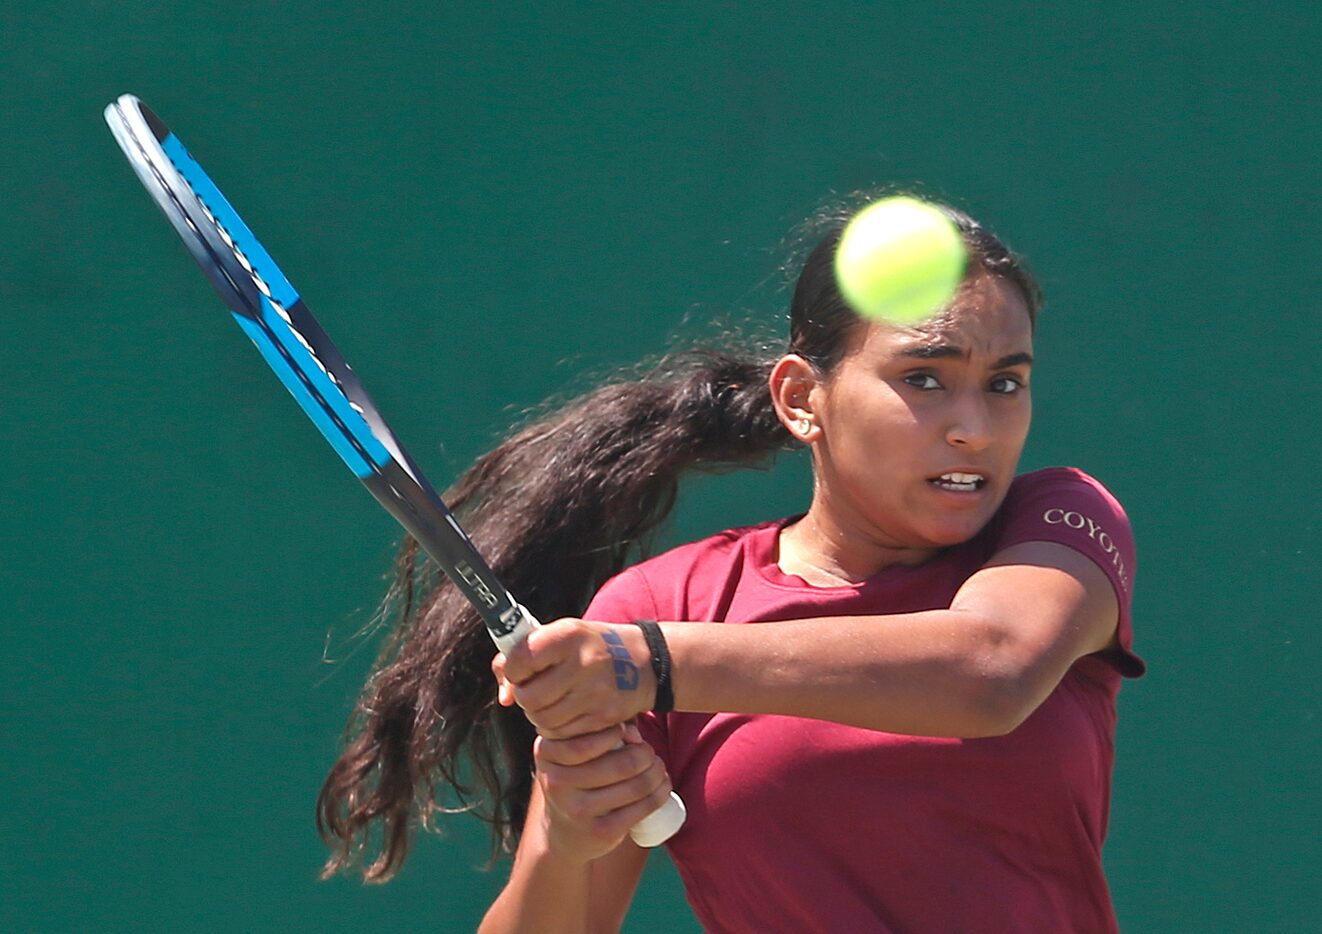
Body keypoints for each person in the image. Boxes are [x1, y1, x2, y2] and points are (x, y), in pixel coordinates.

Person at [317, 193, 1144, 933]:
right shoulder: (667, 599)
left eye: (1006, 384)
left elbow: (991, 670)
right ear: (800, 399)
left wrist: (652, 662)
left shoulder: (1059, 525)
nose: (975, 427)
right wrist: (571, 842)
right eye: (924, 378)